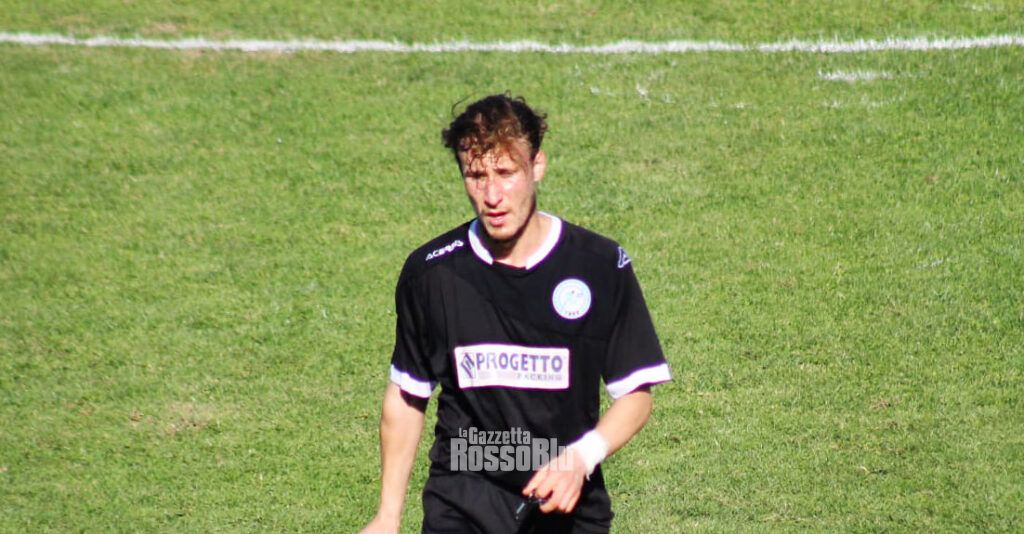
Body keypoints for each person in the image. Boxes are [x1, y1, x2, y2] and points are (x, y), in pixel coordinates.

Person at [360, 94, 671, 533]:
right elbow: (408, 394)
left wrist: (580, 457)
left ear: (537, 166)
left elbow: (636, 393)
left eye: (506, 173)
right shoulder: (432, 273)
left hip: (565, 509)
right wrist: (387, 515)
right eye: (476, 176)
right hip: (463, 500)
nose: (492, 195)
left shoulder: (598, 265)